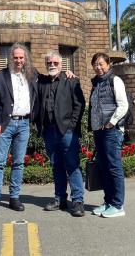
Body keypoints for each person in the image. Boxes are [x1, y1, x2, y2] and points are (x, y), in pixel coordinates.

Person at [0, 43, 37, 214]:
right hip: (5, 125)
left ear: (25, 59)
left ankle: (14, 197)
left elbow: (49, 79)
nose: (18, 61)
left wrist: (66, 73)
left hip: (24, 124)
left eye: (21, 58)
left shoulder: (31, 75)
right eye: (15, 58)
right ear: (10, 58)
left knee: (18, 163)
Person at [35, 51, 86, 217]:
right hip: (49, 131)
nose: (52, 65)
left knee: (72, 165)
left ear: (61, 64)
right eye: (49, 63)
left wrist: (71, 126)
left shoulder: (71, 80)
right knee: (56, 166)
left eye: (55, 63)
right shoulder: (41, 81)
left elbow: (80, 104)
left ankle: (77, 201)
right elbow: (26, 66)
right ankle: (60, 199)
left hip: (67, 131)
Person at [89, 52, 128, 218]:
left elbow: (123, 105)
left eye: (101, 64)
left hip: (112, 131)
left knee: (114, 168)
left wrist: (112, 122)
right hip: (99, 130)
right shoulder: (96, 83)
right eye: (95, 64)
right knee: (104, 167)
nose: (98, 67)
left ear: (108, 65)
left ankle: (118, 205)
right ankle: (108, 202)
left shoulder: (115, 80)